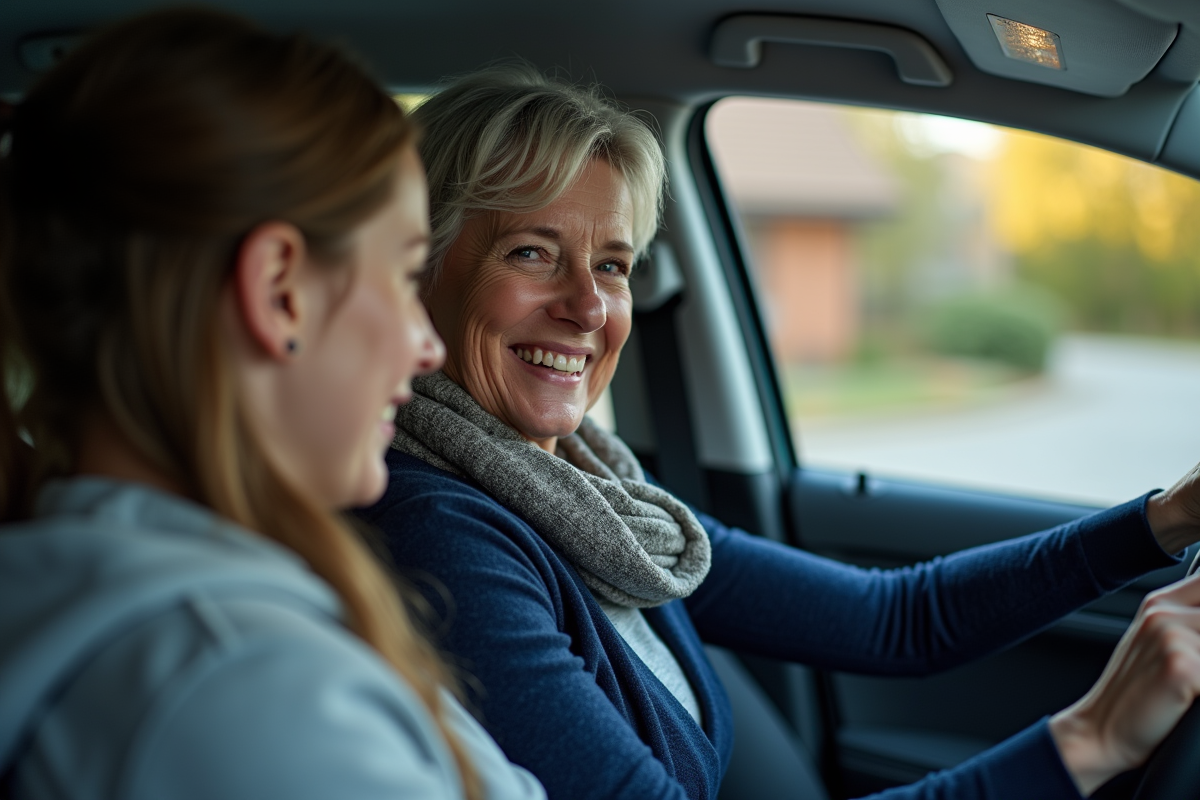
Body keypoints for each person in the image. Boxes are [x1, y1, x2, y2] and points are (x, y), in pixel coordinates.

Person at [357, 64, 1200, 800]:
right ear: (415, 267)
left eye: (611, 264)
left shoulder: (593, 495)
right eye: (533, 253)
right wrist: (1094, 741)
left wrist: (1166, 519)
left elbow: (893, 619)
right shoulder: (444, 538)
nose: (587, 307)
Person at [0, 11, 547, 800]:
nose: (426, 344)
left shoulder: (91, 588)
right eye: (400, 276)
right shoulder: (246, 690)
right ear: (277, 291)